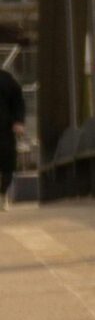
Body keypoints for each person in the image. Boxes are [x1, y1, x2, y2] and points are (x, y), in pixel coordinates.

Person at [0, 52, 25, 208]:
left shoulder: (6, 80)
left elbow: (18, 101)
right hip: (5, 128)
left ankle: (3, 194)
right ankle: (3, 194)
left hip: (4, 129)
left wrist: (18, 121)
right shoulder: (7, 79)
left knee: (7, 163)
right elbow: (18, 102)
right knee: (7, 162)